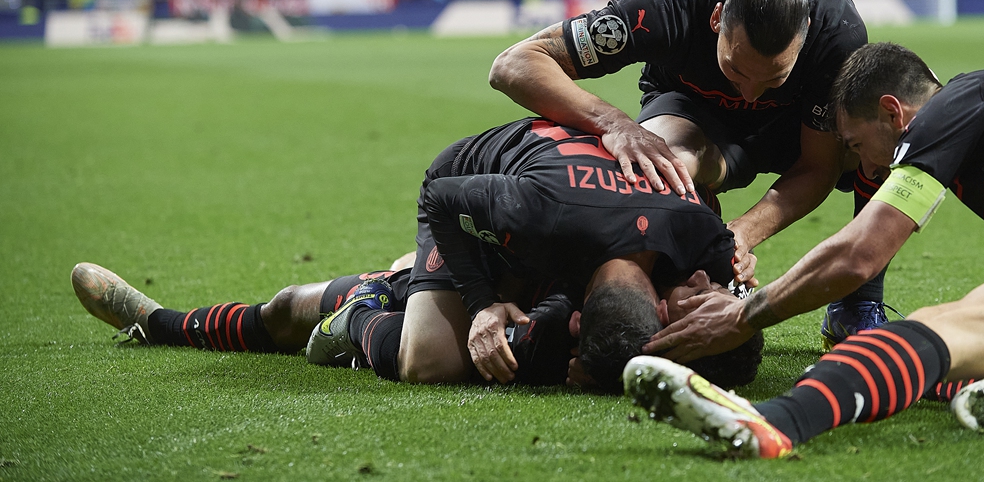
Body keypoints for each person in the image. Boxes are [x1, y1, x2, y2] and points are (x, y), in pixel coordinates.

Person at [625, 41, 984, 457]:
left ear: (892, 112)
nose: (863, 165)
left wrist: (743, 316)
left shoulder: (952, 108)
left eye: (856, 145)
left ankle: (776, 422)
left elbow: (858, 256)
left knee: (944, 327)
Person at [72, 117, 762, 390]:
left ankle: (397, 291)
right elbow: (443, 198)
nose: (704, 293)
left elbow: (729, 297)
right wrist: (484, 302)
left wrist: (735, 301)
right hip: (470, 194)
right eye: (700, 300)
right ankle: (361, 307)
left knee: (531, 347)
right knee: (432, 361)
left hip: (562, 241)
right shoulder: (540, 214)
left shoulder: (702, 245)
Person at [490, 0, 884, 346]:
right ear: (716, 19)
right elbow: (514, 64)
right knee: (662, 165)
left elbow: (818, 166)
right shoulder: (670, 3)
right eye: (734, 69)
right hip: (693, 116)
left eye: (773, 78)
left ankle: (859, 303)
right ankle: (606, 297)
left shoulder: (838, 36)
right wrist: (615, 124)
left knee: (880, 143)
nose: (750, 94)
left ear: (805, 39)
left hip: (794, 130)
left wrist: (741, 234)